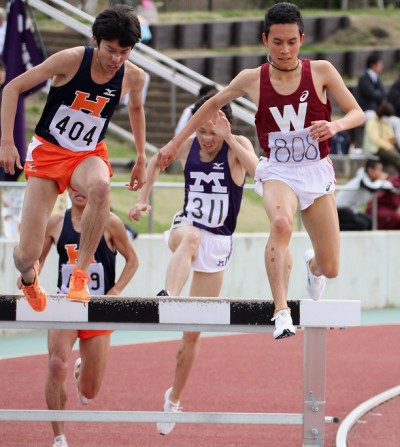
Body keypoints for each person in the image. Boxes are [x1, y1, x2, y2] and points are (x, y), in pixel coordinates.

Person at [157, 2, 365, 339]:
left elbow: (358, 113)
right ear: (265, 39)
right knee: (281, 225)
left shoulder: (322, 71)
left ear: (302, 39)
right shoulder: (253, 79)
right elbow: (211, 105)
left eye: (292, 42)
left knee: (331, 267)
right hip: (279, 171)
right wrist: (174, 143)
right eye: (278, 42)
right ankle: (281, 310)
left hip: (314, 171)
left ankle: (312, 267)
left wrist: (336, 125)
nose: (285, 50)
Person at [0, 5, 146, 312]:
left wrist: (141, 157)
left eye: (124, 51)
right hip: (49, 152)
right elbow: (12, 88)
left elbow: (136, 109)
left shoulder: (134, 77)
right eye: (110, 50)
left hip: (88, 152)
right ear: (95, 40)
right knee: (26, 255)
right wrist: (7, 143)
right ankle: (28, 278)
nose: (116, 59)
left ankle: (80, 273)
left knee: (101, 188)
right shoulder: (71, 60)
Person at [129, 94, 258, 436]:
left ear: (225, 125)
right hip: (185, 227)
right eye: (201, 131)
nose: (206, 138)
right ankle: (167, 297)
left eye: (212, 132)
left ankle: (173, 398)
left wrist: (229, 136)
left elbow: (259, 172)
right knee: (190, 239)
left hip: (220, 242)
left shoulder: (236, 145)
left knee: (192, 335)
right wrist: (143, 199)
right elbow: (159, 160)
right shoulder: (188, 147)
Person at [40, 188, 139, 447]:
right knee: (55, 364)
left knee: (89, 392)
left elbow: (133, 261)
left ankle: (81, 371)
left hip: (98, 308)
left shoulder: (110, 222)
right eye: (74, 186)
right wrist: (29, 274)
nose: (79, 192)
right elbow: (36, 259)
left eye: (85, 186)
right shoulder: (57, 223)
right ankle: (59, 437)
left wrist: (115, 291)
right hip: (66, 303)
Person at [335, 159, 395, 231]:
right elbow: (372, 187)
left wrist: (381, 181)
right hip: (340, 210)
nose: (380, 173)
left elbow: (389, 187)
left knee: (371, 222)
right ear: (370, 170)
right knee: (362, 224)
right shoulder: (362, 179)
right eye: (378, 170)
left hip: (351, 210)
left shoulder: (372, 181)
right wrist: (381, 180)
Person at [363, 100, 400, 173]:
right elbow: (375, 139)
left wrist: (393, 138)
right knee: (397, 158)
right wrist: (388, 146)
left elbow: (388, 134)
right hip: (375, 148)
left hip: (385, 146)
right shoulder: (372, 122)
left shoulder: (385, 122)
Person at [357, 52, 386, 119]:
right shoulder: (364, 78)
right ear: (373, 65)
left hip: (376, 109)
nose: (382, 66)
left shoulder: (377, 77)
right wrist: (379, 94)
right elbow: (371, 94)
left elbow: (383, 93)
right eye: (380, 64)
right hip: (366, 109)